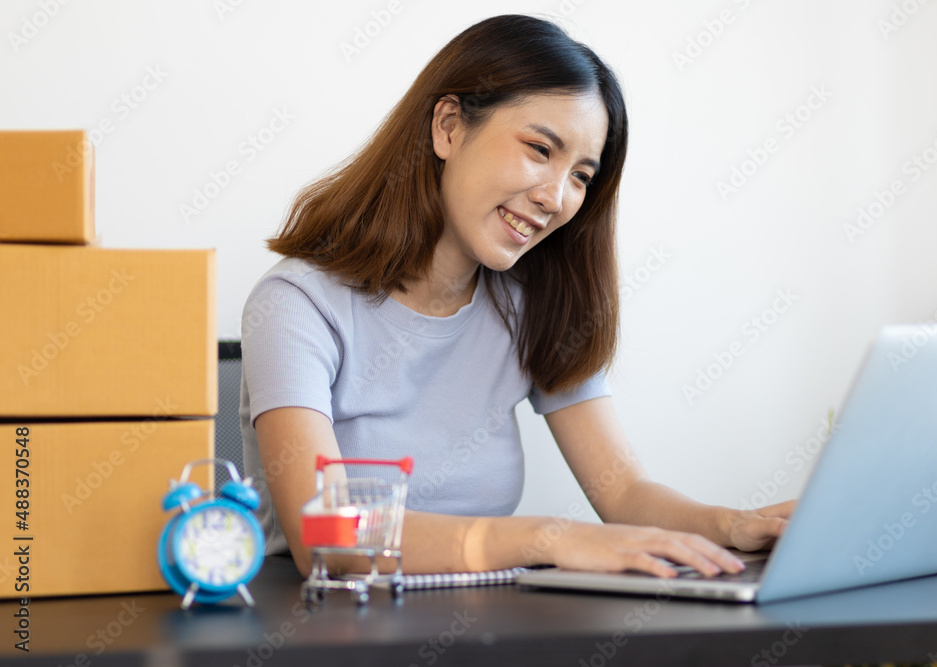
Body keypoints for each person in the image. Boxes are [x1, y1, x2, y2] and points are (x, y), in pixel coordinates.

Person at [240, 13, 793, 580]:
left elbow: (624, 493)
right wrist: (545, 538)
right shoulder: (296, 303)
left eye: (581, 175)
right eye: (538, 148)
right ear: (449, 127)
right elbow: (328, 536)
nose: (556, 197)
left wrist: (732, 526)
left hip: (490, 628)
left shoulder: (531, 304)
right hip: (335, 632)